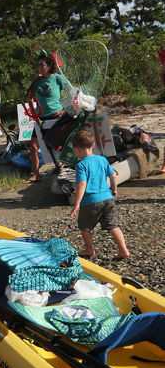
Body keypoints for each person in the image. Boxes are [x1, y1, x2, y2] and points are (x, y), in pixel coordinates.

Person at [69, 128, 130, 261]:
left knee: (84, 227)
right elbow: (113, 176)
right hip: (108, 198)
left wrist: (77, 203)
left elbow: (82, 184)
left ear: (76, 149)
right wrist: (114, 189)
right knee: (112, 225)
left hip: (91, 201)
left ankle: (89, 249)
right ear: (93, 145)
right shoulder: (102, 159)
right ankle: (123, 250)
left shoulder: (81, 165)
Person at [26, 51, 72, 182]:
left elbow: (72, 92)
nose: (39, 67)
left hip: (56, 115)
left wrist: (64, 109)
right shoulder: (38, 81)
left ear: (49, 65)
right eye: (38, 65)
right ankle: (36, 174)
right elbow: (29, 97)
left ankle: (61, 166)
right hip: (40, 117)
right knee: (33, 146)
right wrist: (33, 111)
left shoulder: (58, 78)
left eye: (42, 64)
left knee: (57, 144)